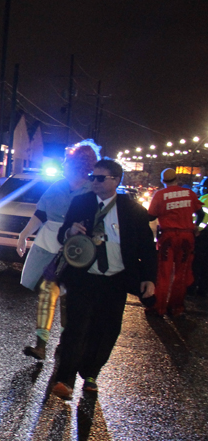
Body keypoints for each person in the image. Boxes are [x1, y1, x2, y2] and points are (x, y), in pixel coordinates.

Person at [49, 159, 156, 399]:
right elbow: (62, 234)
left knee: (107, 330)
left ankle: (90, 373)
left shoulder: (133, 211)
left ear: (116, 180)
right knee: (76, 327)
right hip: (83, 277)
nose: (94, 182)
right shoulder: (81, 203)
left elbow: (147, 248)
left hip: (115, 280)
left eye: (100, 178)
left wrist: (149, 278)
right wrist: (70, 232)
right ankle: (64, 379)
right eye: (92, 177)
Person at [16, 140, 98, 359]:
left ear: (81, 165)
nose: (65, 165)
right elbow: (40, 215)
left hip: (78, 250)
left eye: (69, 162)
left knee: (69, 298)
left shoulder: (92, 191)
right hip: (48, 244)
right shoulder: (56, 186)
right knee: (47, 291)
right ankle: (41, 344)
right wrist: (24, 235)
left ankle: (65, 343)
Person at [147, 168, 200, 316]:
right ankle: (176, 307)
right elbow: (200, 213)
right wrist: (196, 228)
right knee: (181, 273)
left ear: (163, 181)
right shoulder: (189, 194)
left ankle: (159, 307)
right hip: (186, 238)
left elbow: (150, 216)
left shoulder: (160, 195)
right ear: (177, 179)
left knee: (164, 272)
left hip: (168, 238)